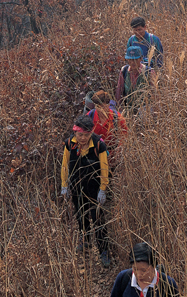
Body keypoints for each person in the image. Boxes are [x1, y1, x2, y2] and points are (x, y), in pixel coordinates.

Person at [60, 115, 111, 267]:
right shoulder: (70, 144)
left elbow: (104, 168)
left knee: (98, 219)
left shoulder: (98, 145)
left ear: (91, 133)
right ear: (75, 133)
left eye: (86, 135)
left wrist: (103, 189)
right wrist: (65, 185)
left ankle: (104, 251)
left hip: (94, 187)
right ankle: (86, 239)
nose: (82, 138)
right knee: (81, 214)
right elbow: (64, 165)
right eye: (80, 134)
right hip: (77, 186)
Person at [88, 90, 127, 170]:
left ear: (109, 105)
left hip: (113, 161)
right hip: (94, 160)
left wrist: (119, 151)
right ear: (95, 106)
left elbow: (124, 138)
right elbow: (80, 134)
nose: (101, 110)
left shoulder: (117, 118)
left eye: (104, 107)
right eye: (98, 107)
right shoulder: (89, 117)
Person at [115, 46, 156, 116]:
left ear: (141, 58)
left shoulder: (149, 71)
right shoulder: (124, 70)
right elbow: (119, 90)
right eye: (130, 59)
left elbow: (155, 94)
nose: (132, 62)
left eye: (135, 59)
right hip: (128, 107)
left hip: (145, 108)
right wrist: (120, 108)